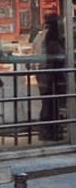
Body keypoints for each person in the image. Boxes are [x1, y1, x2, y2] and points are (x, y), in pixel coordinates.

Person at [37, 13, 66, 141]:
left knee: (48, 103)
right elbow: (60, 56)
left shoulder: (41, 37)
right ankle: (50, 131)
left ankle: (47, 130)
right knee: (51, 103)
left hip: (43, 74)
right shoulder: (53, 41)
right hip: (52, 76)